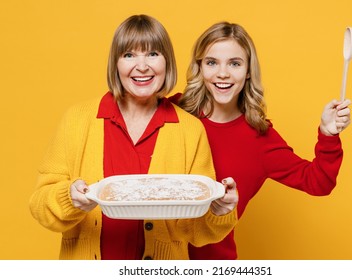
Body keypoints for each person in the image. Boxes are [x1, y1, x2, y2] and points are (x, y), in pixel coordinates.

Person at [29, 15, 238, 260]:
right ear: (115, 64)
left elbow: (195, 231)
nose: (142, 66)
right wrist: (70, 199)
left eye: (152, 54)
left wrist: (218, 210)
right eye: (129, 55)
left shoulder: (189, 130)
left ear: (166, 62)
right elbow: (40, 206)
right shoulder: (77, 120)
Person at [176, 21, 352, 259]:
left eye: (235, 63)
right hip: (151, 258)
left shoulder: (259, 137)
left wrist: (328, 134)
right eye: (211, 62)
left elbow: (318, 182)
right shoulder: (172, 112)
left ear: (248, 71)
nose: (223, 73)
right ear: (200, 67)